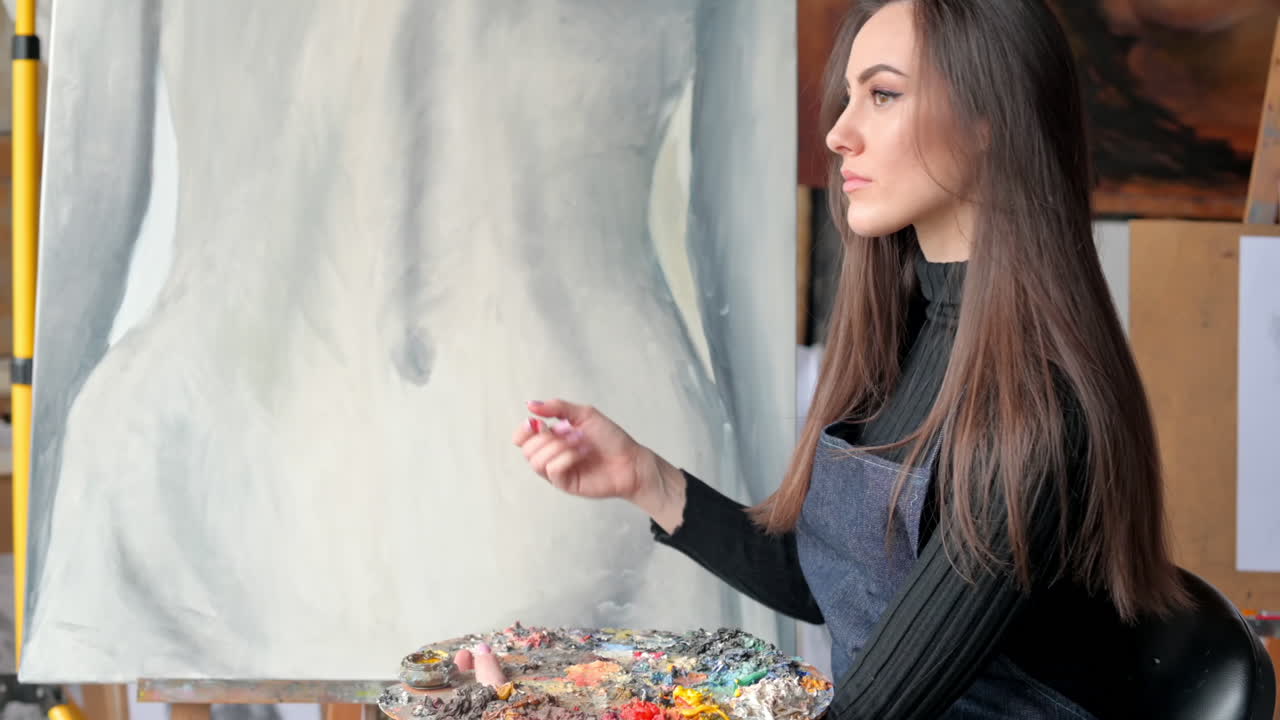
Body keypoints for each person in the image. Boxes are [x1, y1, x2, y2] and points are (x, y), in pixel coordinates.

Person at [512, 1, 1191, 717]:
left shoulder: (1036, 408)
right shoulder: (910, 334)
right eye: (848, 98)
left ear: (991, 117)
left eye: (884, 95)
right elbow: (837, 583)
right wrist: (643, 477)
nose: (839, 134)